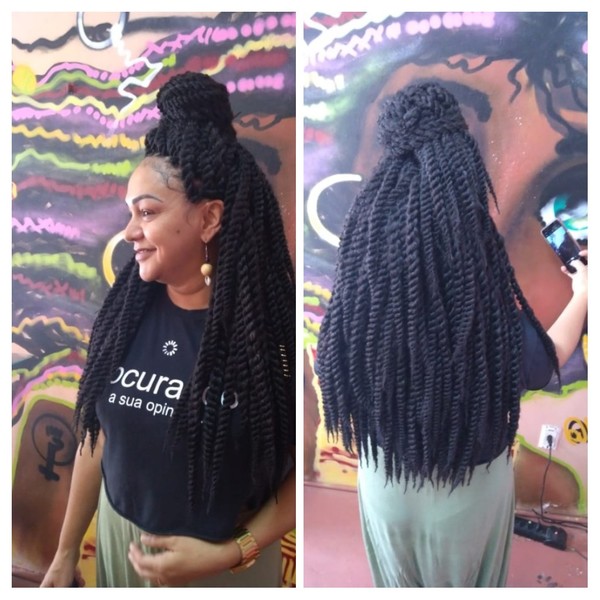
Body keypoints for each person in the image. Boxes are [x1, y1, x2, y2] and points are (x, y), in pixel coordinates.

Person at [315, 82, 587, 587]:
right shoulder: (475, 285)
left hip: (384, 479)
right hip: (466, 491)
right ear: (463, 167)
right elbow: (541, 360)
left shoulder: (365, 274)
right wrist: (585, 294)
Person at [40, 71, 295, 588]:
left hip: (220, 568)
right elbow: (99, 435)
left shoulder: (268, 343)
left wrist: (230, 552)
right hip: (122, 545)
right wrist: (66, 552)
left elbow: (294, 482)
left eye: (147, 212)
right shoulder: (125, 318)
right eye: (130, 213)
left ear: (209, 219)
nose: (130, 231)